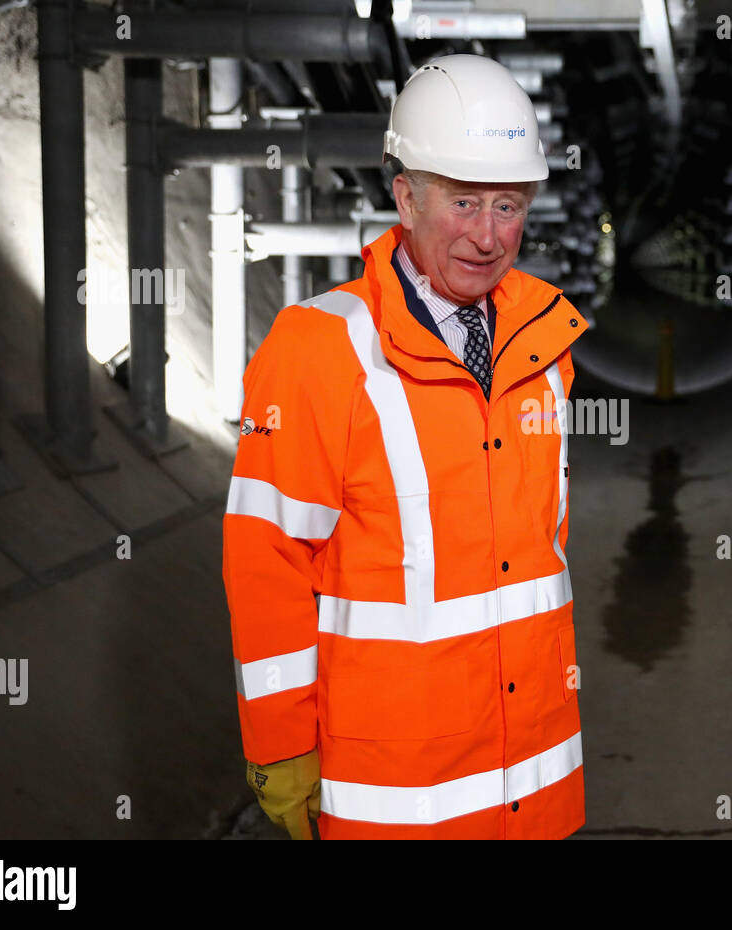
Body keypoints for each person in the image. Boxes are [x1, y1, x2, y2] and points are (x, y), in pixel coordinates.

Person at [223, 54, 589, 839]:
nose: (488, 237)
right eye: (463, 203)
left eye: (507, 205)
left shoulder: (545, 349)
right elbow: (269, 558)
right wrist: (284, 746)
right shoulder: (321, 350)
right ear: (405, 198)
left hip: (536, 782)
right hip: (397, 797)